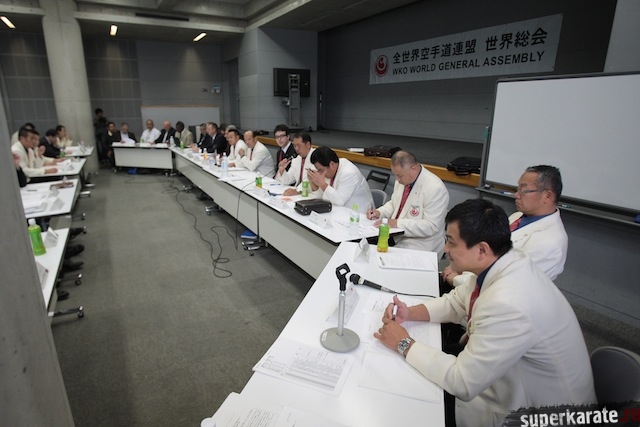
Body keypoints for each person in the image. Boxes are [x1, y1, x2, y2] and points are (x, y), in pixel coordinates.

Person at [374, 198, 595, 427]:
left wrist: (404, 343)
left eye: (451, 242)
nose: (445, 249)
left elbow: (463, 382)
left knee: (408, 402)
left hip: (541, 413)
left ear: (481, 249)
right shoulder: (502, 262)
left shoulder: (510, 304)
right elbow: (457, 302)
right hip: (503, 376)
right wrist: (409, 313)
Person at [443, 165, 568, 287]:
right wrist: (458, 267)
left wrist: (457, 278)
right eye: (517, 189)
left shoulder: (551, 243)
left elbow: (509, 283)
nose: (517, 195)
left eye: (523, 190)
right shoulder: (518, 216)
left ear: (547, 196)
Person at [367, 151, 449, 256]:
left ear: (413, 168)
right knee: (367, 249)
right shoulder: (403, 180)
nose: (397, 180)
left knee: (385, 258)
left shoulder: (435, 188)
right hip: (396, 235)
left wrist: (396, 223)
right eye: (395, 175)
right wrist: (379, 212)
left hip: (421, 242)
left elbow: (431, 226)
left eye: (399, 176)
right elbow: (394, 204)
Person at [308, 146, 373, 213]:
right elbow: (323, 196)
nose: (319, 173)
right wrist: (313, 182)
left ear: (331, 164)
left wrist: (322, 184)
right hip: (340, 210)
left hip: (360, 213)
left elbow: (340, 200)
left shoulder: (349, 172)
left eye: (321, 170)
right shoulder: (332, 168)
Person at [275, 132, 316, 196]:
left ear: (308, 145)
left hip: (312, 194)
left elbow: (311, 180)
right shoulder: (296, 159)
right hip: (300, 194)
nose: (296, 149)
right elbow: (288, 180)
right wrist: (282, 170)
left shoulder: (316, 157)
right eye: (294, 146)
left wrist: (297, 191)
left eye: (299, 146)